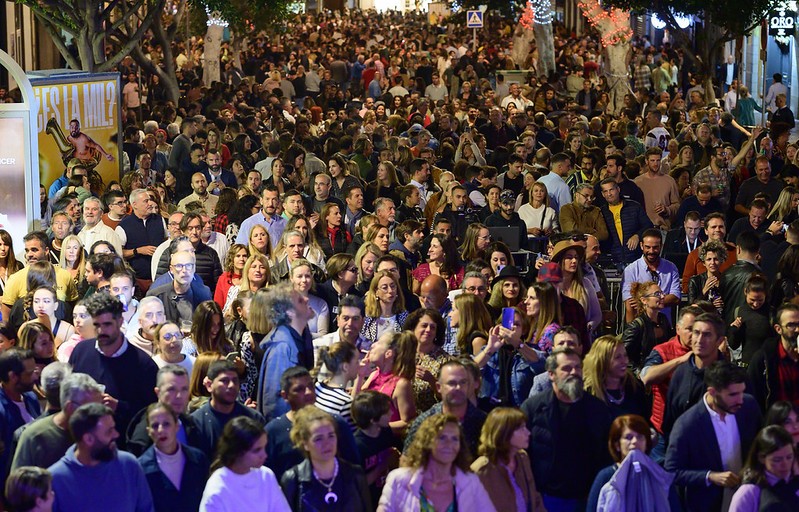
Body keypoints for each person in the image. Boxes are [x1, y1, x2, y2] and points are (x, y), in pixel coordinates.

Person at [520, 347, 612, 511]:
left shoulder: (598, 409)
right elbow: (522, 454)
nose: (574, 372)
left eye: (577, 367)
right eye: (567, 368)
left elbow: (606, 454)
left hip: (587, 496)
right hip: (546, 497)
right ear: (551, 374)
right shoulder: (533, 408)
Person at [665, 361, 763, 512]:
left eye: (742, 392)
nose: (740, 400)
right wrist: (710, 476)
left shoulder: (749, 406)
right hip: (708, 504)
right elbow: (671, 471)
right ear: (712, 392)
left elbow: (761, 445)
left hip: (748, 499)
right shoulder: (688, 424)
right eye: (733, 394)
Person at [68, 292, 159, 444]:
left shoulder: (143, 364)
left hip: (122, 444)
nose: (101, 331)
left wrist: (119, 407)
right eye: (96, 325)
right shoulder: (81, 351)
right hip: (83, 441)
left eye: (107, 324)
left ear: (120, 321)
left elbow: (151, 412)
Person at [378, 413, 496, 512]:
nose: (449, 444)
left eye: (455, 439)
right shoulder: (398, 480)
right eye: (442, 437)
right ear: (426, 442)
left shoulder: (471, 482)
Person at [48, 403, 154, 512]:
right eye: (109, 431)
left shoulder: (129, 465)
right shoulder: (55, 480)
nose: (116, 434)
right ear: (88, 439)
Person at [280, 406, 372, 511]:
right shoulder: (293, 480)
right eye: (318, 439)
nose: (327, 444)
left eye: (331, 436)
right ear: (305, 444)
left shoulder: (355, 474)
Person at [586, 414, 681, 512]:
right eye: (628, 437)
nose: (635, 441)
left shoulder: (659, 474)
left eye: (640, 437)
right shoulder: (606, 476)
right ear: (617, 445)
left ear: (647, 443)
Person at [12, 372, 104, 470]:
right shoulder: (34, 436)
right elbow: (19, 478)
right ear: (70, 407)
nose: (98, 416)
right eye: (91, 409)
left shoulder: (98, 431)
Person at [199, 416, 291, 512]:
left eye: (264, 447)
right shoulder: (218, 488)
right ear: (237, 451)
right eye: (256, 450)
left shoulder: (266, 476)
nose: (264, 455)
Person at [257, 282, 315, 421]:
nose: (306, 299)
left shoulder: (298, 339)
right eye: (300, 300)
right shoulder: (282, 349)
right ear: (289, 312)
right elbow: (275, 404)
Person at [138, 402, 209, 512]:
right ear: (148, 431)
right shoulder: (141, 469)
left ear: (177, 426)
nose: (161, 430)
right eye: (155, 426)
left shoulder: (198, 460)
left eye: (166, 424)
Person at [471, 407, 545, 512]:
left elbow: (534, 498)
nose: (528, 432)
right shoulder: (481, 470)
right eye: (521, 428)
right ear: (503, 433)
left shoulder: (523, 458)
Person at [729, 425, 799, 511]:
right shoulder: (749, 492)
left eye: (789, 457)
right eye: (777, 460)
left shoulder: (795, 483)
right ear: (761, 458)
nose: (785, 464)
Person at [621, 228, 681, 324]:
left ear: (661, 246)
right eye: (647, 247)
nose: (651, 251)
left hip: (665, 325)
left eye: (655, 247)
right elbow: (630, 305)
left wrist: (646, 301)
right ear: (641, 246)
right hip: (640, 326)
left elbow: (675, 298)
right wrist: (630, 329)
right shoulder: (630, 270)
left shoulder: (671, 268)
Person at [747, 303, 799, 411]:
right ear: (778, 329)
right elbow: (752, 397)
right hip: (776, 419)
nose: (797, 329)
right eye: (791, 325)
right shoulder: (763, 359)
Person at [598, 177, 653, 265]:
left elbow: (648, 225)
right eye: (605, 191)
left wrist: (637, 236)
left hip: (635, 256)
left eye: (611, 190)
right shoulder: (601, 212)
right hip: (614, 259)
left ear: (618, 189)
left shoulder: (634, 206)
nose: (609, 194)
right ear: (602, 194)